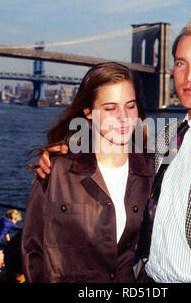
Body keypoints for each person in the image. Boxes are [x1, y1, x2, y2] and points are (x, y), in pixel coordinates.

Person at [36, 20, 191, 283]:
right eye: (181, 63)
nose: (189, 76)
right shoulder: (168, 136)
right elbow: (114, 149)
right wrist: (67, 153)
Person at [21, 62, 154, 283]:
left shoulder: (154, 172)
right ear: (88, 112)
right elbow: (32, 251)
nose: (124, 117)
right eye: (111, 108)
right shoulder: (57, 173)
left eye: (130, 106)